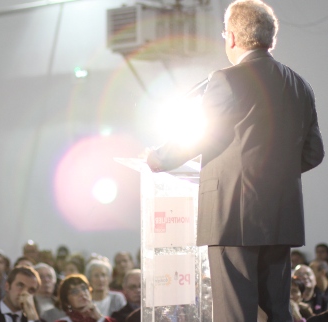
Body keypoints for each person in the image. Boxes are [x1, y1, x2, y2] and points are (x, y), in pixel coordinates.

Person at [146, 0, 324, 320]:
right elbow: (314, 153)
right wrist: (273, 173)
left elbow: (203, 135)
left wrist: (161, 157)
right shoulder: (301, 86)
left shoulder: (227, 79)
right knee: (276, 312)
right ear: (272, 38)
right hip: (281, 216)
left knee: (235, 313)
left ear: (231, 37)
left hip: (232, 215)